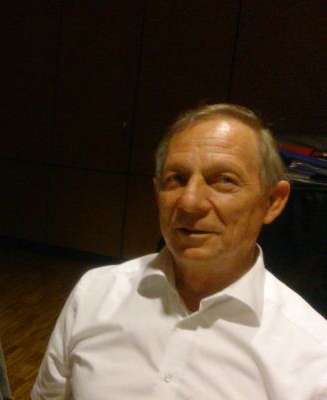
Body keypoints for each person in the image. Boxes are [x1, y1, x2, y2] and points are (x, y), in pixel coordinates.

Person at [32, 104, 327, 399]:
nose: (190, 202)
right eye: (177, 179)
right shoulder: (94, 293)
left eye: (224, 180)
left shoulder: (314, 355)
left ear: (273, 201)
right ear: (157, 193)